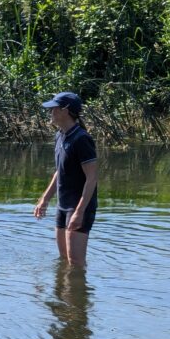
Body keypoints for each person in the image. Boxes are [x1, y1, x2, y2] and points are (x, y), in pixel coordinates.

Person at [33, 92, 99, 267]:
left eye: (54, 108)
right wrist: (45, 199)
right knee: (64, 260)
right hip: (62, 205)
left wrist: (79, 212)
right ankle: (62, 295)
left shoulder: (82, 139)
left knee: (76, 263)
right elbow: (59, 172)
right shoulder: (60, 135)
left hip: (78, 207)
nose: (50, 112)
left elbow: (91, 178)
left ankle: (78, 294)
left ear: (66, 111)